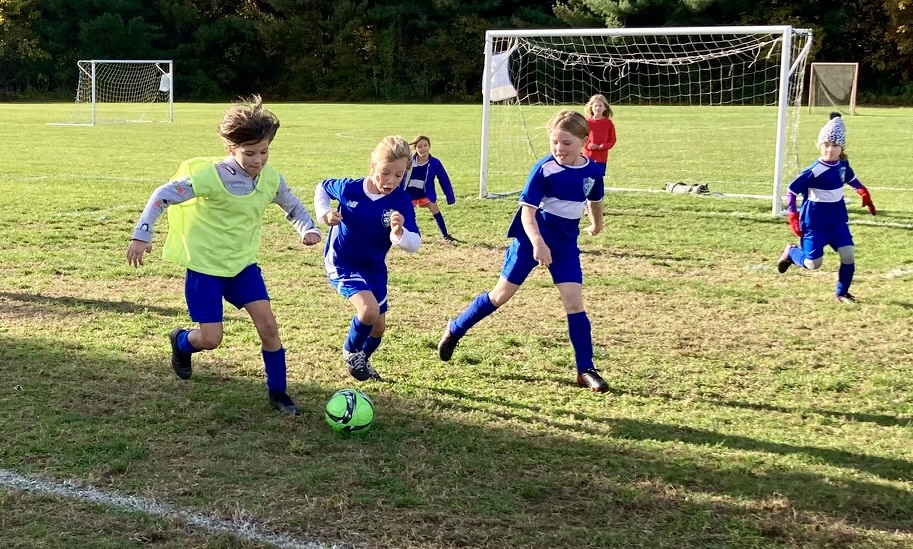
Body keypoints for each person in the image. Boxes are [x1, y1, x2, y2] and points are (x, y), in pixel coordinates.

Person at [126, 95, 322, 416]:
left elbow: (292, 204)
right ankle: (181, 342)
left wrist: (307, 228)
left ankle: (279, 393)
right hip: (205, 271)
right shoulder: (212, 176)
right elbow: (163, 194)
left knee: (269, 327)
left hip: (243, 268)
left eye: (264, 151)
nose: (258, 160)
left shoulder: (271, 177)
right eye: (249, 153)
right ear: (231, 148)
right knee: (211, 338)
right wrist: (142, 234)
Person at [437, 110, 609, 392]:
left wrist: (597, 224)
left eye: (566, 143)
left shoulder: (591, 171)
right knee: (500, 296)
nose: (559, 149)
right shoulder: (544, 169)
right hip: (530, 240)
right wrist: (538, 244)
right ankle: (455, 328)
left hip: (565, 245)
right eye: (554, 142)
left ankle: (585, 369)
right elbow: (526, 213)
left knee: (574, 303)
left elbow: (595, 198)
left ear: (583, 141)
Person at [315, 136, 421, 382]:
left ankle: (361, 359)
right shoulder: (350, 188)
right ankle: (351, 352)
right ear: (372, 166)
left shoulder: (401, 201)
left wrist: (399, 234)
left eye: (399, 175)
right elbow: (322, 187)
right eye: (385, 173)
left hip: (373, 268)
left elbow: (414, 243)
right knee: (368, 310)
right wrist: (325, 213)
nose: (391, 181)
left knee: (378, 327)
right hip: (342, 262)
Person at [776, 112, 877, 303]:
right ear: (819, 145)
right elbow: (791, 190)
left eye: (835, 145)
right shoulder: (815, 170)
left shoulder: (843, 164)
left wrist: (864, 193)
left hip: (837, 219)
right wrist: (793, 216)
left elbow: (851, 179)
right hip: (815, 222)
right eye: (826, 144)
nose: (830, 149)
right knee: (813, 264)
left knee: (848, 255)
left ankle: (842, 292)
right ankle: (791, 252)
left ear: (842, 147)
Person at [402, 135, 458, 242]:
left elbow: (444, 179)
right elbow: (399, 176)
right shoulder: (409, 162)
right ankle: (408, 236)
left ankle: (445, 235)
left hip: (425, 194)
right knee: (406, 214)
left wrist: (450, 196)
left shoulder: (435, 163)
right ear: (415, 148)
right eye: (420, 146)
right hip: (409, 194)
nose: (423, 148)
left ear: (429, 146)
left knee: (435, 211)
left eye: (425, 145)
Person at [582, 94, 616, 175]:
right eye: (595, 105)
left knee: (598, 177)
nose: (597, 108)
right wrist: (588, 145)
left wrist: (605, 146)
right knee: (586, 178)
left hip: (601, 157)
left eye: (600, 105)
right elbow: (580, 138)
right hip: (587, 156)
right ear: (591, 107)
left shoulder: (608, 123)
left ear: (605, 108)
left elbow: (612, 139)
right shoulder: (586, 122)